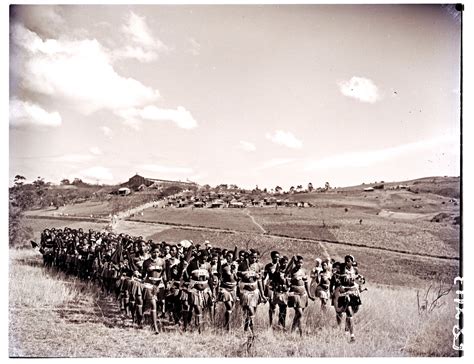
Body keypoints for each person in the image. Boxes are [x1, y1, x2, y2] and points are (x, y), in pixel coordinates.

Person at [332, 255, 363, 342]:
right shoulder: (342, 268)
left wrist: (359, 284)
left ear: (352, 261)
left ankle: (346, 331)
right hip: (345, 293)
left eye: (349, 261)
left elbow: (359, 280)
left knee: (352, 313)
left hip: (354, 293)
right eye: (346, 260)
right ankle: (352, 336)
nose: (347, 262)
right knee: (349, 313)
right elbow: (342, 279)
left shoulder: (355, 270)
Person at [237, 249, 266, 335]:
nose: (254, 259)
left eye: (255, 258)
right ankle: (253, 331)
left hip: (255, 291)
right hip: (245, 291)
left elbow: (260, 281)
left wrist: (262, 294)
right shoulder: (242, 265)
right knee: (250, 310)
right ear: (249, 257)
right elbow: (237, 278)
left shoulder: (258, 266)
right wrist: (243, 274)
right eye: (252, 257)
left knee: (252, 311)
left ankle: (246, 329)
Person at [140, 244, 167, 333]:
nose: (155, 254)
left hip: (159, 284)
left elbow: (164, 273)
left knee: (160, 303)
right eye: (154, 252)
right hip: (149, 284)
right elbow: (143, 275)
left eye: (157, 252)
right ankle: (154, 327)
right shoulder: (146, 262)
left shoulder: (162, 261)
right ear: (150, 252)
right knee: (153, 304)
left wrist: (167, 283)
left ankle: (149, 319)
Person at [287, 255, 315, 336]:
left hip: (303, 294)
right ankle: (301, 333)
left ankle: (292, 331)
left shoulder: (304, 271)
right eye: (298, 263)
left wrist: (309, 295)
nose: (300, 264)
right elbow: (286, 272)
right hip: (294, 294)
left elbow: (306, 284)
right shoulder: (291, 271)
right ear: (295, 263)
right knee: (300, 313)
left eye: (301, 263)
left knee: (298, 315)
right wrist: (292, 259)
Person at [217, 250, 239, 331]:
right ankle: (228, 328)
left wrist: (234, 272)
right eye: (228, 256)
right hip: (225, 288)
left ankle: (226, 323)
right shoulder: (223, 266)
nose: (229, 258)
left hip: (233, 288)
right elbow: (220, 277)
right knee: (229, 306)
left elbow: (237, 279)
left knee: (230, 309)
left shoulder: (236, 266)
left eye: (231, 256)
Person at [269, 255, 290, 329]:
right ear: (280, 263)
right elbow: (273, 281)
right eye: (284, 263)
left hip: (284, 292)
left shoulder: (288, 272)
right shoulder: (277, 272)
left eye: (286, 263)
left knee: (283, 309)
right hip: (277, 292)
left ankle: (281, 325)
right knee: (273, 308)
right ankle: (271, 324)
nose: (285, 264)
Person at [263, 251, 281, 326]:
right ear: (272, 257)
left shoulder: (281, 265)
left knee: (281, 305)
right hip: (271, 286)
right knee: (272, 305)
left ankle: (280, 323)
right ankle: (271, 323)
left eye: (278, 257)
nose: (276, 258)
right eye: (275, 257)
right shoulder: (268, 266)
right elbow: (264, 277)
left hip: (279, 287)